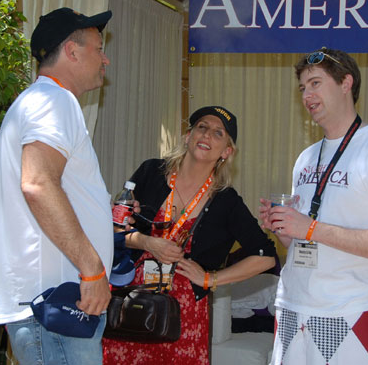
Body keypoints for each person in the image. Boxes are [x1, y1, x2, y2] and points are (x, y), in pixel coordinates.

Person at [259, 49, 368, 365]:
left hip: (347, 312)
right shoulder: (305, 158)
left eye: (315, 83)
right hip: (291, 308)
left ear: (346, 83)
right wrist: (283, 228)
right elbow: (303, 242)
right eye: (303, 88)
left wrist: (310, 227)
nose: (307, 95)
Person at [0, 7, 115, 365]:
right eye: (98, 47)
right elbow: (38, 183)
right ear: (72, 51)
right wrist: (92, 268)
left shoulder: (38, 102)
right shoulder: (52, 101)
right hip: (55, 307)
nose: (105, 58)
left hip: (54, 307)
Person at [102, 106, 277, 365]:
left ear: (226, 152)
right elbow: (115, 228)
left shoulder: (226, 201)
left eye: (218, 133)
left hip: (183, 317)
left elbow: (266, 256)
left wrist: (210, 279)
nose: (207, 135)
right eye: (202, 127)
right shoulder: (151, 172)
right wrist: (146, 241)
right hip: (130, 303)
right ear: (188, 136)